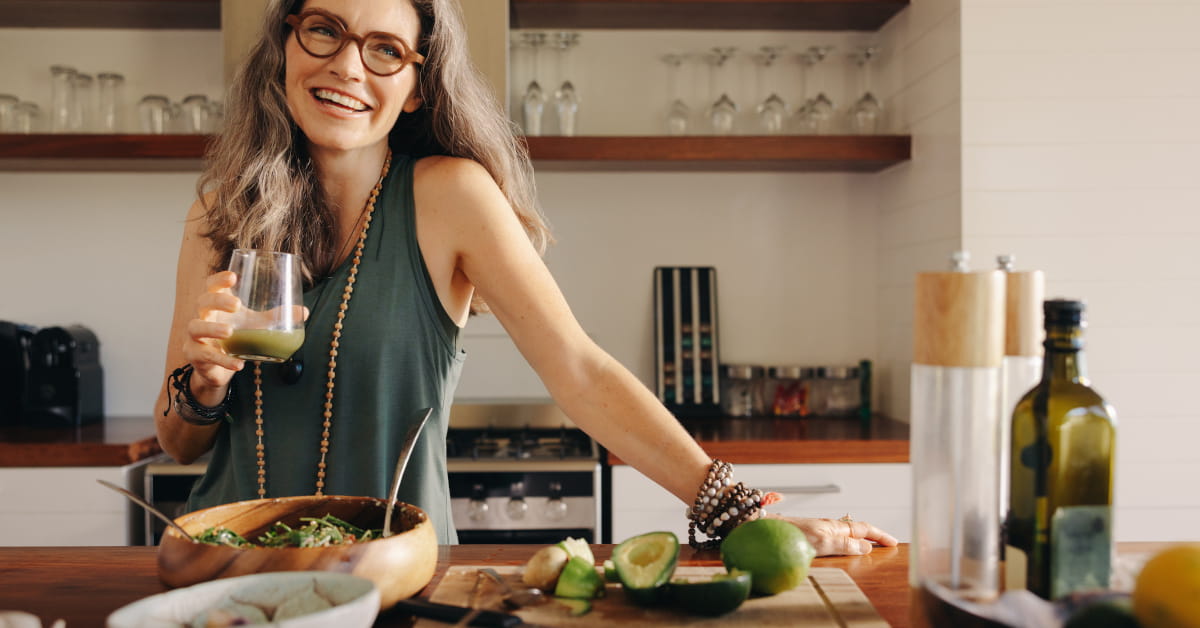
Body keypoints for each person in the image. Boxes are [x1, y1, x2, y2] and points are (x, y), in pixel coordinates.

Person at [154, 0, 898, 555]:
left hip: (392, 576)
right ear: (287, 41)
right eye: (325, 29)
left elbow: (580, 371)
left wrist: (740, 512)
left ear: (415, 85)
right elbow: (179, 441)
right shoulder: (220, 211)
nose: (348, 65)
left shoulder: (450, 196)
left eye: (385, 49)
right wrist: (202, 384)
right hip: (225, 577)